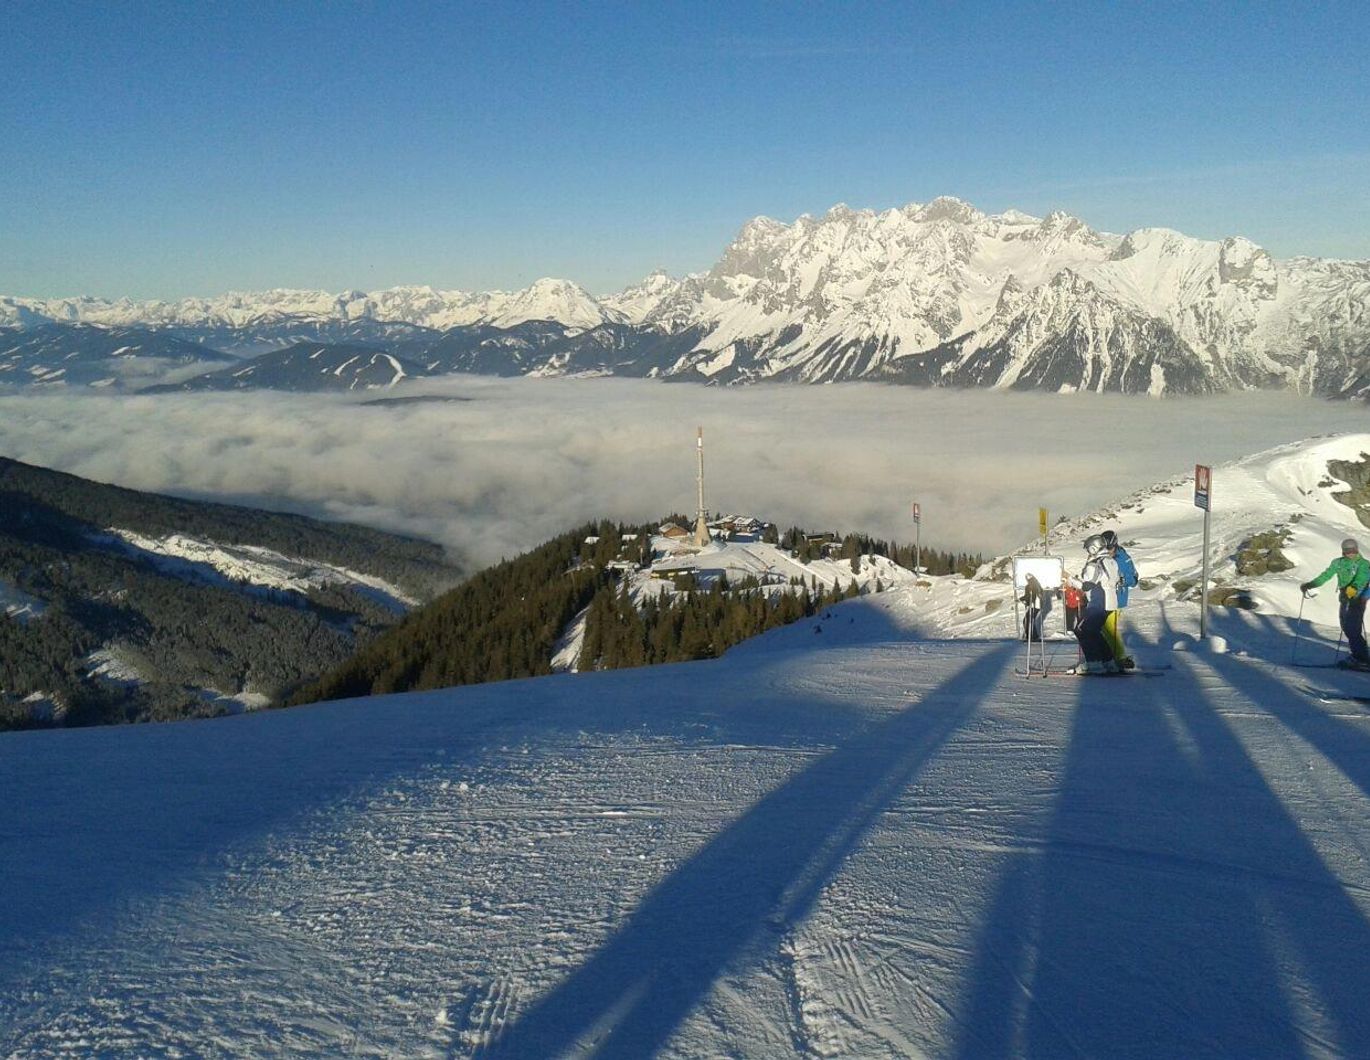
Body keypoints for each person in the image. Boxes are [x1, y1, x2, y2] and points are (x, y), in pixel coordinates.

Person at [1300, 537, 1370, 669]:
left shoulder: (1363, 563)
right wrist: (1311, 584)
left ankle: (1362, 659)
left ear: (1357, 549)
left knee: (1352, 627)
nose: (1351, 553)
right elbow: (1326, 575)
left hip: (1358, 598)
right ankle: (1358, 655)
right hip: (1345, 597)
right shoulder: (1338, 563)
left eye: (1353, 550)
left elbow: (1363, 577)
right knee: (1345, 626)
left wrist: (1354, 588)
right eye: (1348, 551)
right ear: (1343, 551)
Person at [1074, 533, 1121, 673]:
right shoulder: (1111, 561)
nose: (1088, 552)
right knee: (1094, 631)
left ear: (1094, 548)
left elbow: (1087, 585)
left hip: (1099, 601)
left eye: (1088, 549)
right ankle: (1108, 661)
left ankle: (1094, 663)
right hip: (1110, 602)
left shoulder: (1095, 563)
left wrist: (1070, 580)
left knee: (1082, 629)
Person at [1100, 529, 1139, 670]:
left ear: (1115, 545)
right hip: (1103, 598)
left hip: (1117, 599)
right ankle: (1109, 656)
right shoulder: (1102, 557)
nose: (1108, 551)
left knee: (1110, 628)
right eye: (1105, 548)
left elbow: (1134, 579)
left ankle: (1120, 657)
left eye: (1110, 548)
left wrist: (1122, 580)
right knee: (1102, 628)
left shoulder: (1123, 558)